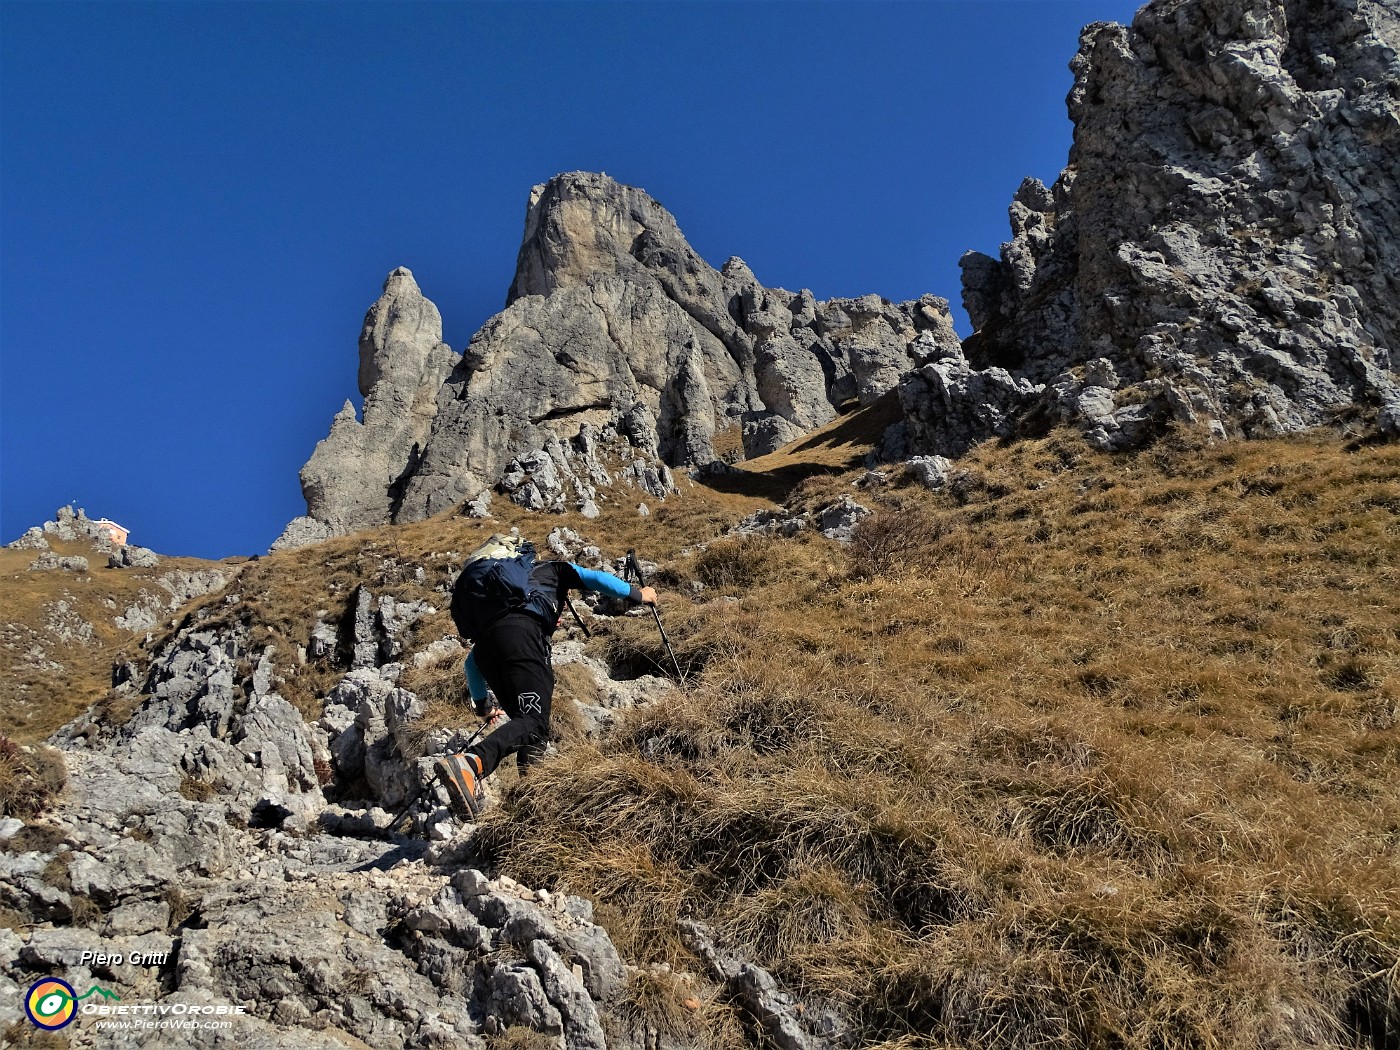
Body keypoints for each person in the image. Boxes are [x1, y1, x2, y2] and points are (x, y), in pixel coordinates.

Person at [434, 548, 656, 818]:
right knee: (535, 722)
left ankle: (532, 807)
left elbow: (472, 663)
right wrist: (638, 595)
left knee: (531, 730)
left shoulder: (503, 600)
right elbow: (593, 577)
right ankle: (471, 763)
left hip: (487, 651)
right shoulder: (549, 569)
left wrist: (484, 708)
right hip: (523, 638)